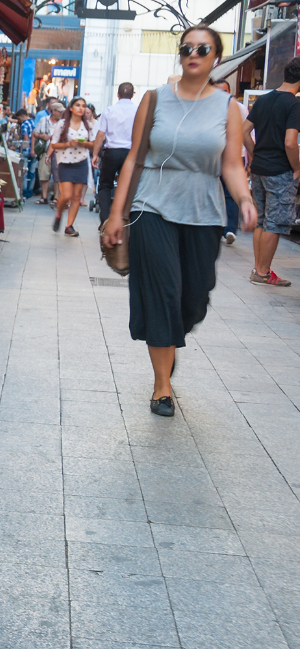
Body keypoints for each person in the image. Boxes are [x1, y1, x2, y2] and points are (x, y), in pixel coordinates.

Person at [102, 25, 256, 418]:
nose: (193, 53)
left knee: (193, 299)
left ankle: (170, 340)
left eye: (202, 48)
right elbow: (134, 157)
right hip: (152, 205)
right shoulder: (154, 100)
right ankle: (161, 386)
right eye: (186, 47)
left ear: (215, 59)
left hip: (204, 213)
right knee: (162, 291)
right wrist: (116, 214)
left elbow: (231, 163)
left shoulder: (228, 109)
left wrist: (245, 198)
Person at [243, 58, 300, 285]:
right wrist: (296, 167)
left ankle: (259, 269)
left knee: (262, 221)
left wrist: (256, 155)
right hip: (280, 172)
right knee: (274, 224)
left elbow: (245, 132)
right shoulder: (294, 105)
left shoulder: (264, 100)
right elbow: (290, 142)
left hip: (259, 169)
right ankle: (264, 272)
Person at [92, 82, 139, 225]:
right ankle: (127, 219)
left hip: (112, 152)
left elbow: (100, 134)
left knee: (105, 185)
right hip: (131, 153)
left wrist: (95, 154)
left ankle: (105, 220)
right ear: (133, 94)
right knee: (130, 186)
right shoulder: (138, 110)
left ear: (117, 95)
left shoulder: (109, 110)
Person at [48, 96, 94, 236]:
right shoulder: (62, 124)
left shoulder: (88, 125)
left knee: (76, 197)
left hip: (81, 162)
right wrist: (68, 144)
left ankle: (69, 226)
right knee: (66, 195)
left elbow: (93, 143)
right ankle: (59, 214)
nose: (81, 108)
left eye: (83, 105)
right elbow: (53, 144)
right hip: (65, 163)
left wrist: (84, 144)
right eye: (78, 105)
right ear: (71, 108)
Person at [213, 79, 246, 245]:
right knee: (215, 191)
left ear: (230, 91)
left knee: (231, 194)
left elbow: (246, 133)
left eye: (224, 91)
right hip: (214, 155)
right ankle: (218, 227)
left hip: (234, 156)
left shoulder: (239, 109)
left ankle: (230, 229)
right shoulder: (209, 107)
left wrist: (247, 157)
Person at [33, 103, 63, 204]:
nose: (61, 113)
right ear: (53, 111)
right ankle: (44, 196)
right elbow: (35, 133)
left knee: (58, 176)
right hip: (45, 151)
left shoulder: (63, 123)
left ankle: (56, 197)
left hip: (59, 153)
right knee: (44, 175)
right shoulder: (43, 120)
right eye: (59, 111)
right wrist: (42, 136)